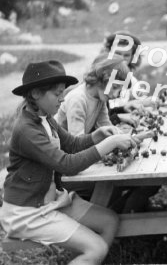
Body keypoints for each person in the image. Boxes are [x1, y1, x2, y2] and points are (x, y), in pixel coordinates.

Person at [1, 60, 137, 264]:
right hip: (27, 212)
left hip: (51, 200)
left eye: (63, 92)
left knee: (109, 221)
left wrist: (97, 136)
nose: (62, 99)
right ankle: (89, 256)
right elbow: (67, 165)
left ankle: (86, 259)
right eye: (57, 94)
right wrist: (110, 144)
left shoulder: (45, 117)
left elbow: (71, 144)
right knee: (96, 247)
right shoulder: (27, 130)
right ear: (36, 93)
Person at [56, 53, 160, 213]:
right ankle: (102, 216)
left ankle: (117, 213)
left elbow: (108, 127)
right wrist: (108, 147)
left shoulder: (99, 99)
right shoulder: (78, 100)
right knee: (114, 184)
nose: (118, 94)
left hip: (75, 157)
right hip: (61, 166)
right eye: (116, 87)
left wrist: (131, 138)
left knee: (127, 178)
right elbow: (76, 144)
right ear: (102, 79)